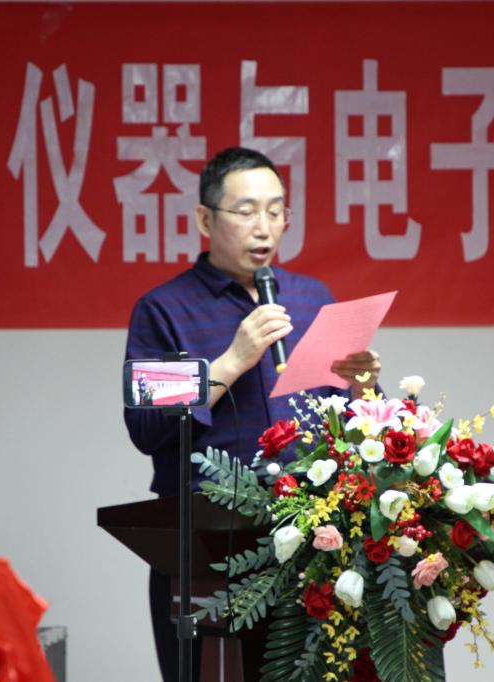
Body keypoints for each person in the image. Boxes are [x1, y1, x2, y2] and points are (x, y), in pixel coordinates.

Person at [123, 147, 381, 682]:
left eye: (276, 210)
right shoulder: (164, 308)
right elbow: (147, 429)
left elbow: (345, 422)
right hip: (205, 550)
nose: (264, 227)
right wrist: (232, 361)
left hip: (311, 544)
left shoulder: (311, 298)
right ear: (205, 220)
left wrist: (363, 388)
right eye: (246, 211)